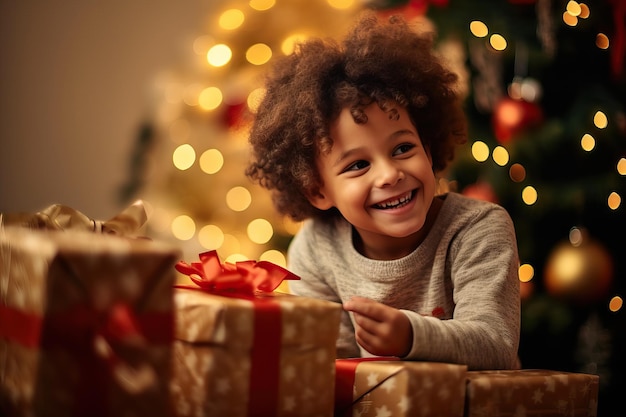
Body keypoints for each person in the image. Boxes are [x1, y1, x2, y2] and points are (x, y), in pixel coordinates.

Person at [245, 12, 520, 370]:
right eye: (358, 165)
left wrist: (411, 337)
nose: (390, 174)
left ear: (428, 147)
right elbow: (331, 370)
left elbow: (494, 344)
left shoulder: (477, 227)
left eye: (403, 148)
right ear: (316, 191)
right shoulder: (316, 249)